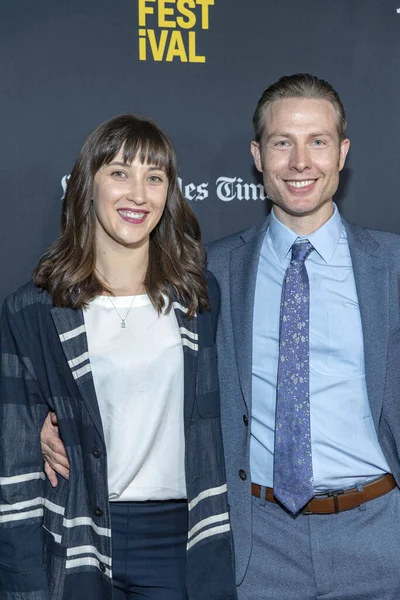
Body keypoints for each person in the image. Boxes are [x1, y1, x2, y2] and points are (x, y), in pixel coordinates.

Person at [41, 74, 400, 599]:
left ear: (342, 152)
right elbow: (125, 346)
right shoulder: (207, 275)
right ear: (258, 155)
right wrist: (54, 423)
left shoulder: (391, 266)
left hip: (379, 537)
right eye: (283, 143)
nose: (300, 161)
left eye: (317, 141)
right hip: (256, 544)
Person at [0, 114, 237, 600]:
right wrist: (22, 582)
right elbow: (16, 465)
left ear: (168, 194)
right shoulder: (34, 310)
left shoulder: (197, 300)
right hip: (77, 534)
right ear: (88, 184)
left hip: (181, 539)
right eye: (119, 173)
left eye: (154, 177)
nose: (138, 193)